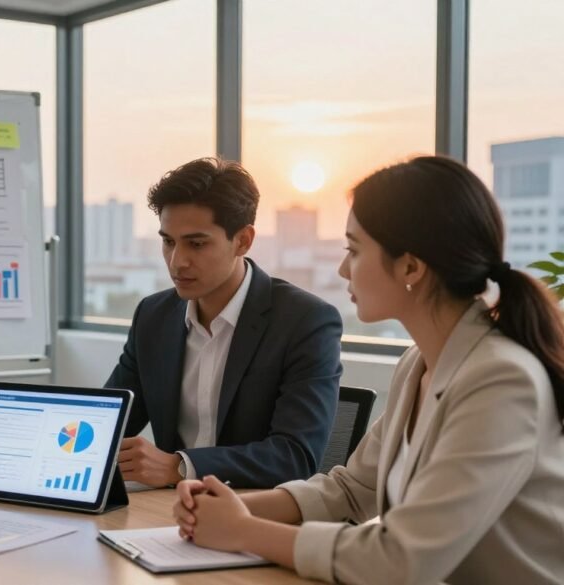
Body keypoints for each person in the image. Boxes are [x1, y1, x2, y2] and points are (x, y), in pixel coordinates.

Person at [173, 156, 564, 584]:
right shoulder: (418, 362)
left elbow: (401, 560)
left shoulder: (502, 380)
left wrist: (243, 531)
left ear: (411, 267)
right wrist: (228, 506)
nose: (343, 269)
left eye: (354, 251)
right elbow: (351, 489)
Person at [105, 157, 343, 488]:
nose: (177, 262)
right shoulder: (153, 316)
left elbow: (294, 456)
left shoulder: (304, 321)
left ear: (243, 241)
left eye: (196, 244)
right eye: (168, 241)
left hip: (253, 515)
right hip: (170, 512)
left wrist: (179, 467)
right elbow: (106, 422)